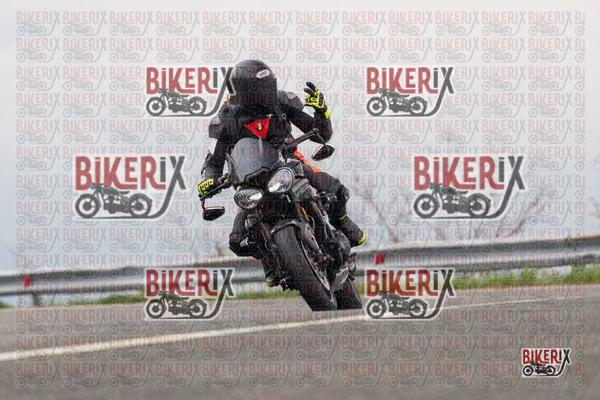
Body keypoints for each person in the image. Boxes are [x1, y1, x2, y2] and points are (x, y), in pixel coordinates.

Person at [197, 59, 365, 282]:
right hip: (251, 181)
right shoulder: (223, 121)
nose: (269, 93)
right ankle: (273, 259)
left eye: (270, 86)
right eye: (262, 90)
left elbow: (321, 134)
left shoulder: (283, 100)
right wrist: (209, 180)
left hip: (288, 162)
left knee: (335, 189)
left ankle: (341, 221)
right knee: (237, 241)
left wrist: (321, 113)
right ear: (246, 93)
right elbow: (212, 162)